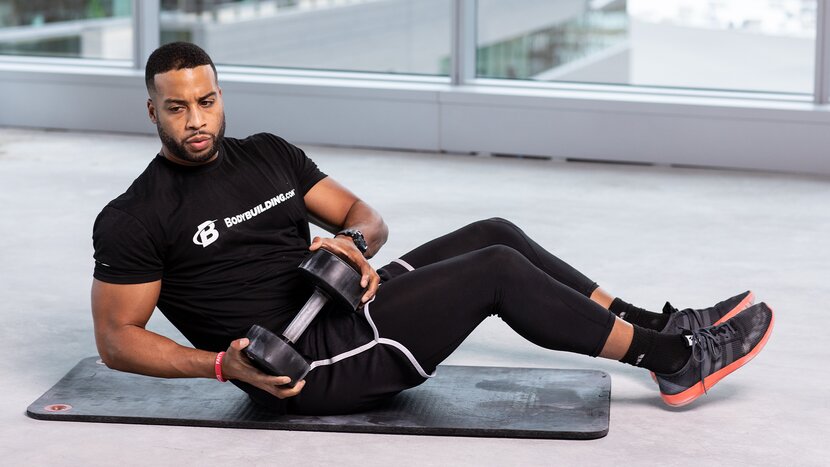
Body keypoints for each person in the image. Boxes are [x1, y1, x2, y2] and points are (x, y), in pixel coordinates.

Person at [91, 42, 774, 415]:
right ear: (151, 111)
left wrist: (354, 245)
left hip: (341, 302)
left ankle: (662, 322)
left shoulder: (268, 153)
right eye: (177, 108)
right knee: (495, 272)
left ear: (221, 95)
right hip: (309, 364)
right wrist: (218, 364)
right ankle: (677, 360)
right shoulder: (136, 215)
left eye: (207, 101)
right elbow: (117, 340)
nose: (197, 120)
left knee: (493, 232)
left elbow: (367, 217)